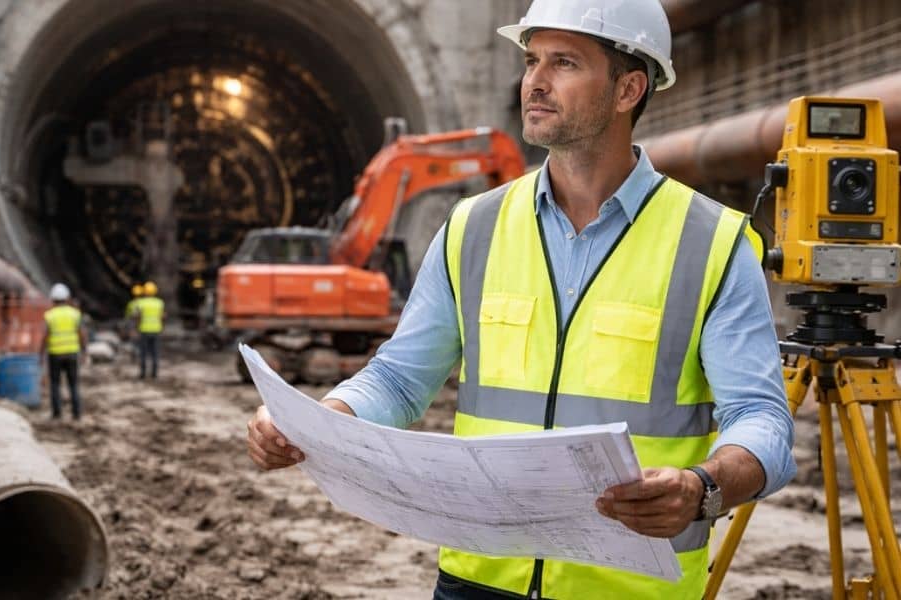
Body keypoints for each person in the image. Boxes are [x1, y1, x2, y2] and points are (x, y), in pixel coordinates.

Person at [247, 1, 796, 598]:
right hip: (477, 579)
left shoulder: (711, 243)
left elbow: (761, 418)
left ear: (628, 89)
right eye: (532, 59)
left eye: (564, 62)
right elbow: (401, 381)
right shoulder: (472, 226)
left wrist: (702, 487)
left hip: (628, 588)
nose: (533, 80)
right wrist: (319, 421)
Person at [41, 283, 86, 420]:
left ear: (53, 299)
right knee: (73, 384)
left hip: (55, 353)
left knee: (55, 384)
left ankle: (57, 413)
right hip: (72, 353)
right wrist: (84, 350)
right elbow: (81, 333)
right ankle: (76, 413)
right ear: (67, 298)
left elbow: (46, 336)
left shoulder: (49, 315)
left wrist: (40, 353)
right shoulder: (75, 314)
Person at [135, 280, 164, 379]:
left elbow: (138, 317)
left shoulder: (141, 303)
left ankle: (143, 373)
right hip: (156, 330)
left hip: (144, 330)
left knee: (143, 353)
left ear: (145, 291)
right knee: (155, 352)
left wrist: (137, 327)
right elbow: (162, 316)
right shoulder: (159, 303)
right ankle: (154, 374)